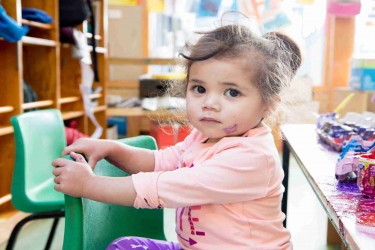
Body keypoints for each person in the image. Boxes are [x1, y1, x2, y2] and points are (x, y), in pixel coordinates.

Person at [52, 20, 302, 250]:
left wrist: (89, 185)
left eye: (232, 93)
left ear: (268, 105)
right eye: (200, 89)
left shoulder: (251, 158)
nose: (209, 103)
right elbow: (158, 163)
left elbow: (160, 187)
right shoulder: (203, 137)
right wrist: (112, 148)